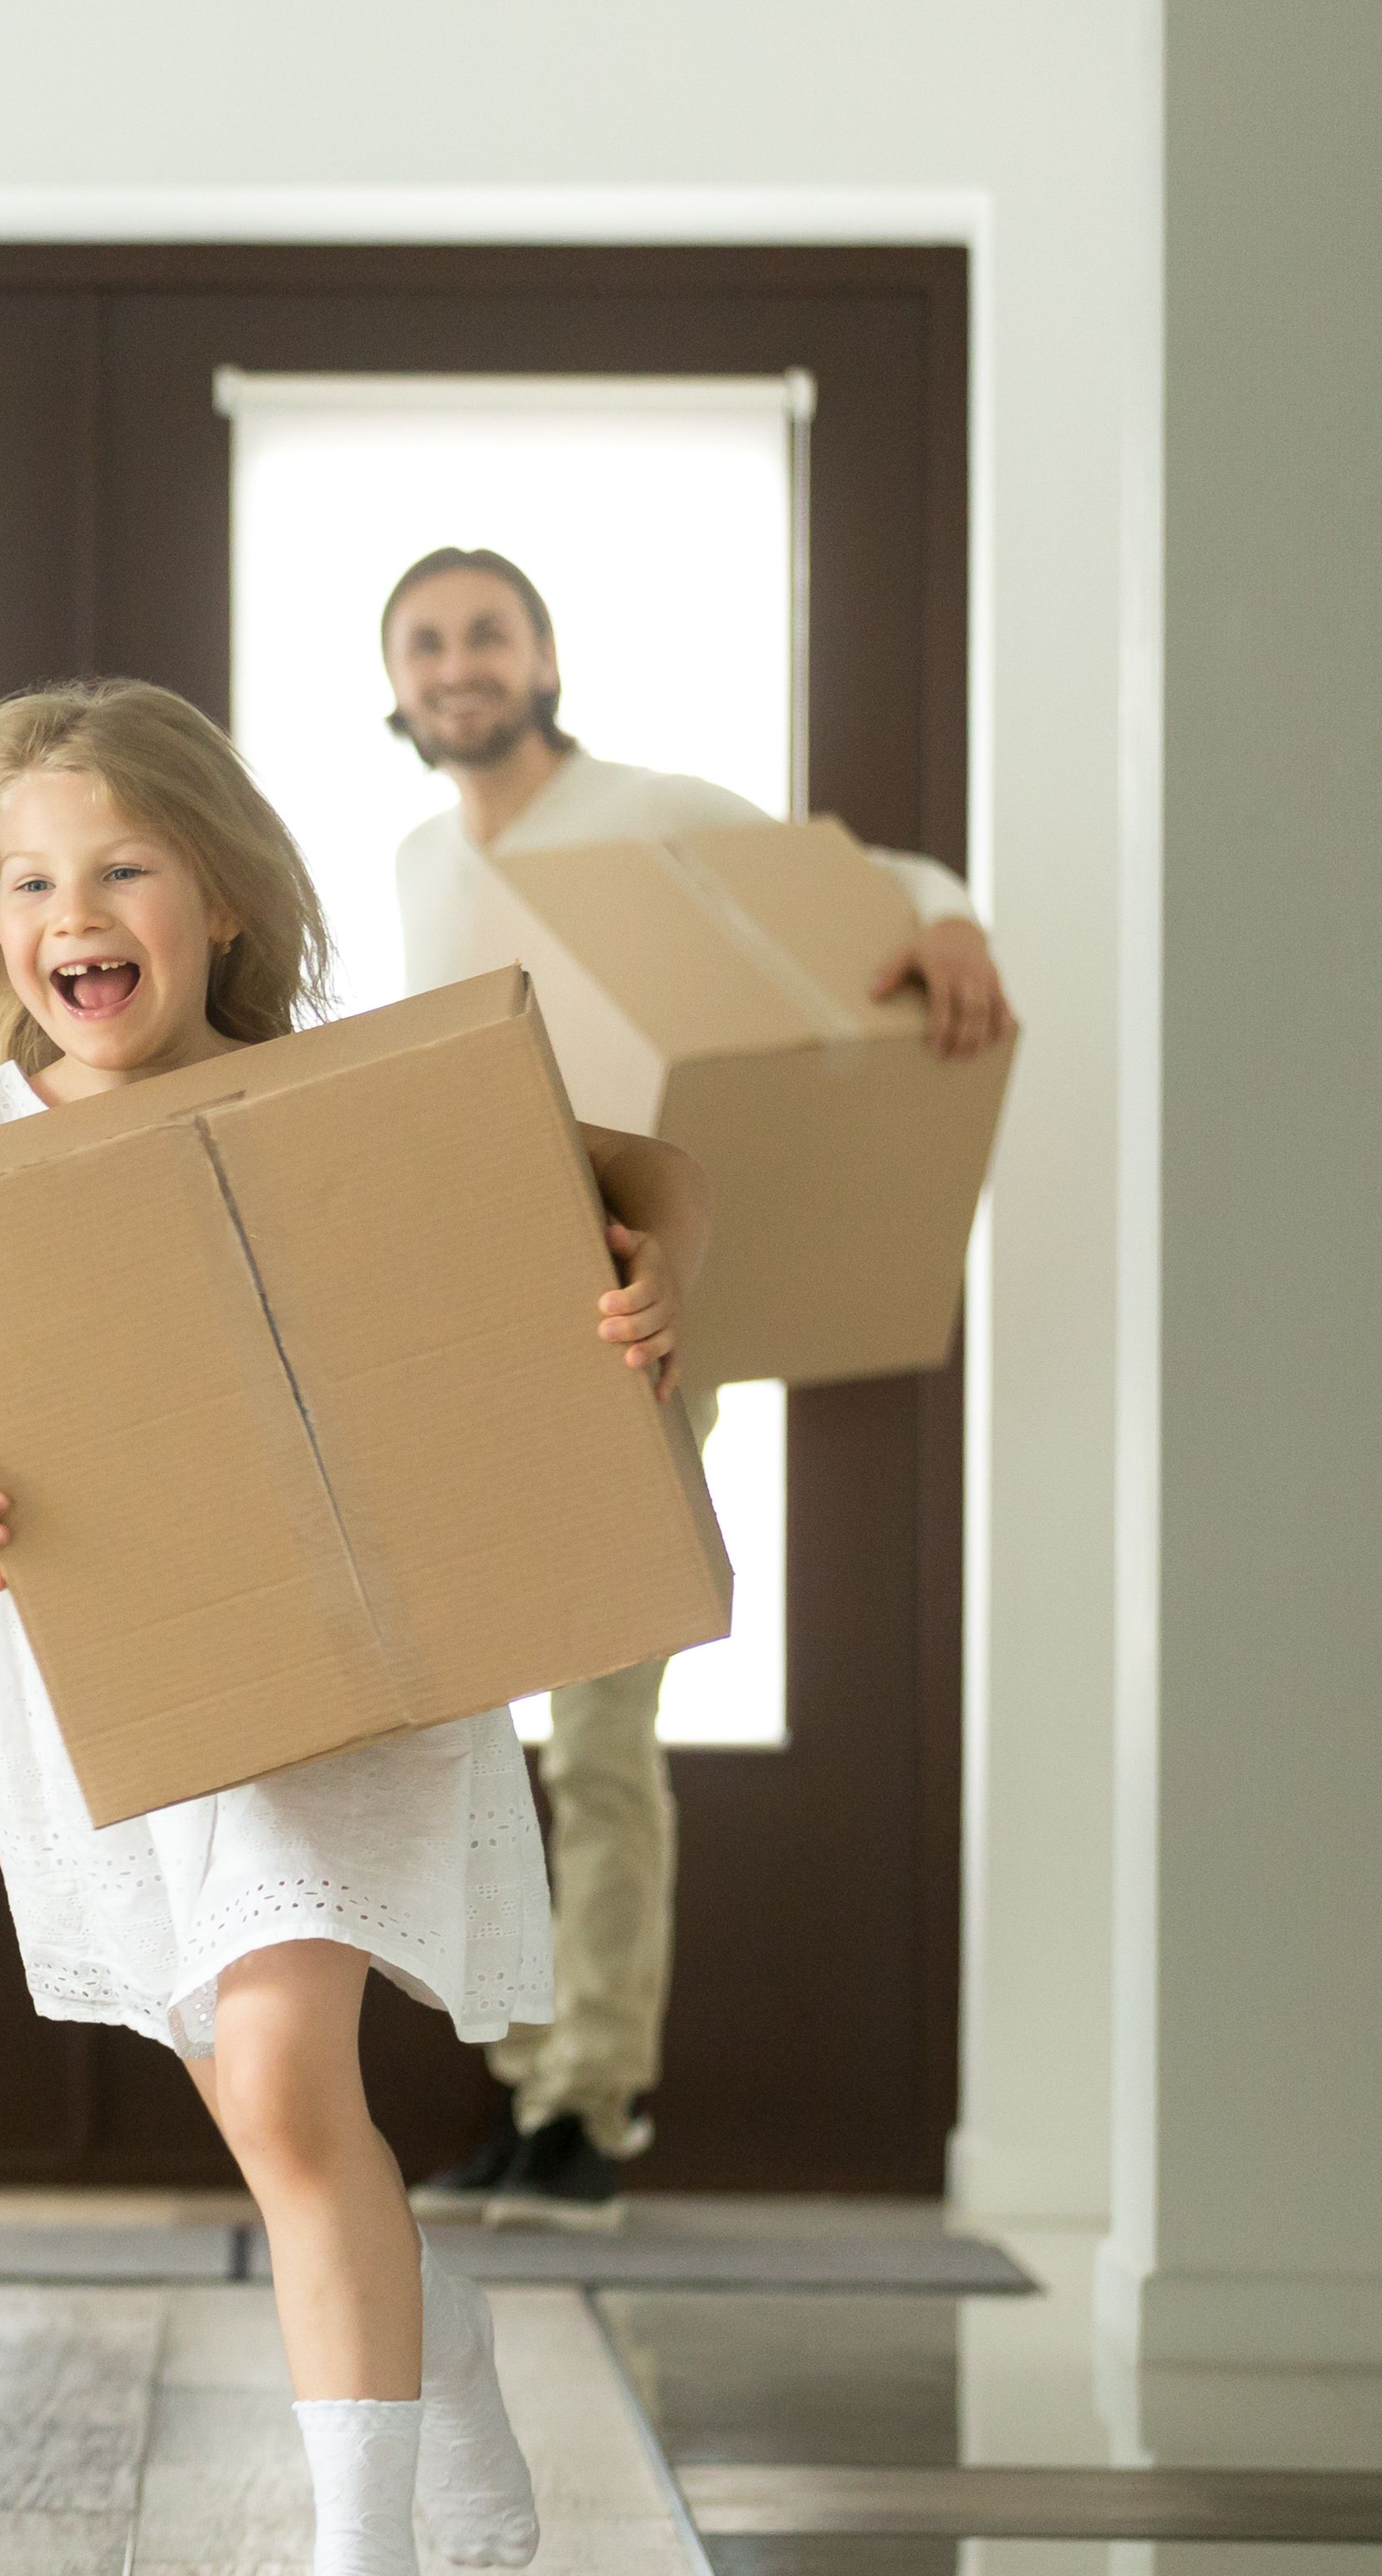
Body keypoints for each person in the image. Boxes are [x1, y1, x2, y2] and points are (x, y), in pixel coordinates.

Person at [0, 680, 712, 2576]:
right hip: (124, 1675)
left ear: (224, 902)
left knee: (276, 2083)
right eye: (25, 882)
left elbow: (622, 1222)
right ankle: (445, 2341)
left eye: (118, 867)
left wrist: (639, 1299)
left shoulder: (337, 1099)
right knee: (267, 2103)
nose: (68, 913)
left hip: (341, 1666)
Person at [376, 546, 1013, 2222]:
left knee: (598, 1723)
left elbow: (876, 874)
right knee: (469, 1732)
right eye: (428, 641)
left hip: (627, 1312)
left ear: (543, 656)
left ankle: (595, 2100)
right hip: (471, 1325)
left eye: (486, 633)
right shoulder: (419, 861)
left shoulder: (646, 810)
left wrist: (943, 920)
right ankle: (526, 2086)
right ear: (396, 681)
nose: (460, 663)